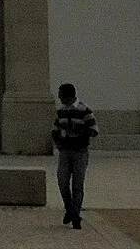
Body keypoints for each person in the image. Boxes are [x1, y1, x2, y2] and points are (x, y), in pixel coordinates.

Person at [51, 82, 97, 228]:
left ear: (67, 95)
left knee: (77, 184)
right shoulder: (61, 112)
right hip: (65, 151)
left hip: (80, 152)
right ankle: (69, 209)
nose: (59, 97)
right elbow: (55, 129)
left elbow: (94, 130)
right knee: (62, 181)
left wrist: (78, 133)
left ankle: (75, 214)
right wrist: (58, 142)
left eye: (60, 94)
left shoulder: (84, 110)